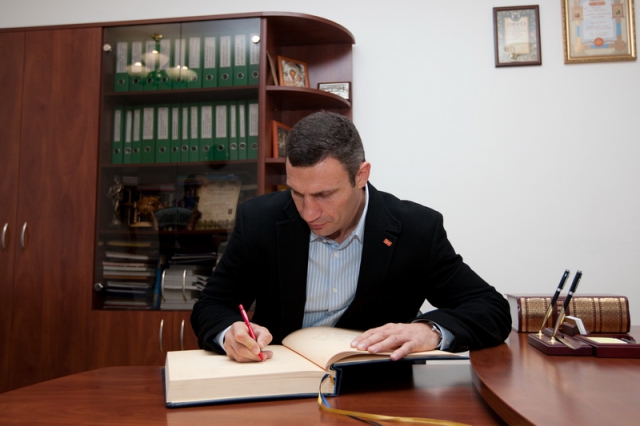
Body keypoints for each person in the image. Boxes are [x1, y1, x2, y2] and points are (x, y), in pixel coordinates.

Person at [191, 111, 511, 363]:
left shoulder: (416, 230)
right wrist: (229, 333)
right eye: (297, 193)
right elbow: (212, 306)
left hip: (378, 389)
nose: (308, 212)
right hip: (279, 381)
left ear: (361, 175)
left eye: (324, 195)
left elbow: (491, 308)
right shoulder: (260, 220)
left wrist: (430, 331)